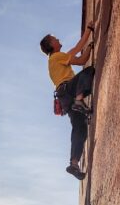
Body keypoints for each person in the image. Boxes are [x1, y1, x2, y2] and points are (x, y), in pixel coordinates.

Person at [40, 22, 95, 180]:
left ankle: (74, 163)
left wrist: (90, 47)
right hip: (68, 91)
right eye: (54, 39)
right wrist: (89, 30)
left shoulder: (57, 60)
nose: (57, 39)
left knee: (80, 128)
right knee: (89, 72)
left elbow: (81, 59)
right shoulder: (56, 57)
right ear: (51, 45)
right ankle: (79, 101)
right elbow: (78, 49)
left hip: (64, 99)